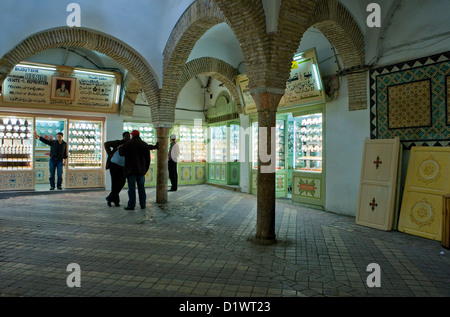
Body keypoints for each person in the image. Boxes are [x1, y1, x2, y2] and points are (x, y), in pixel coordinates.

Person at [118, 130, 151, 210]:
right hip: (141, 170)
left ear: (132, 135)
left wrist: (120, 148)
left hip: (131, 170)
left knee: (131, 188)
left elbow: (121, 153)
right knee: (141, 188)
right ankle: (143, 204)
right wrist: (145, 169)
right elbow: (148, 159)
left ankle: (131, 205)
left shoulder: (128, 144)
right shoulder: (144, 144)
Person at [104, 132, 130, 207]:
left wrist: (154, 147)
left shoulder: (130, 144)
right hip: (114, 165)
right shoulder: (118, 142)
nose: (128, 137)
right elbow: (106, 144)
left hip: (122, 166)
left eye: (129, 136)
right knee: (115, 183)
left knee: (121, 182)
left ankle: (110, 198)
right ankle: (116, 201)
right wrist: (110, 154)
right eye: (126, 136)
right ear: (123, 137)